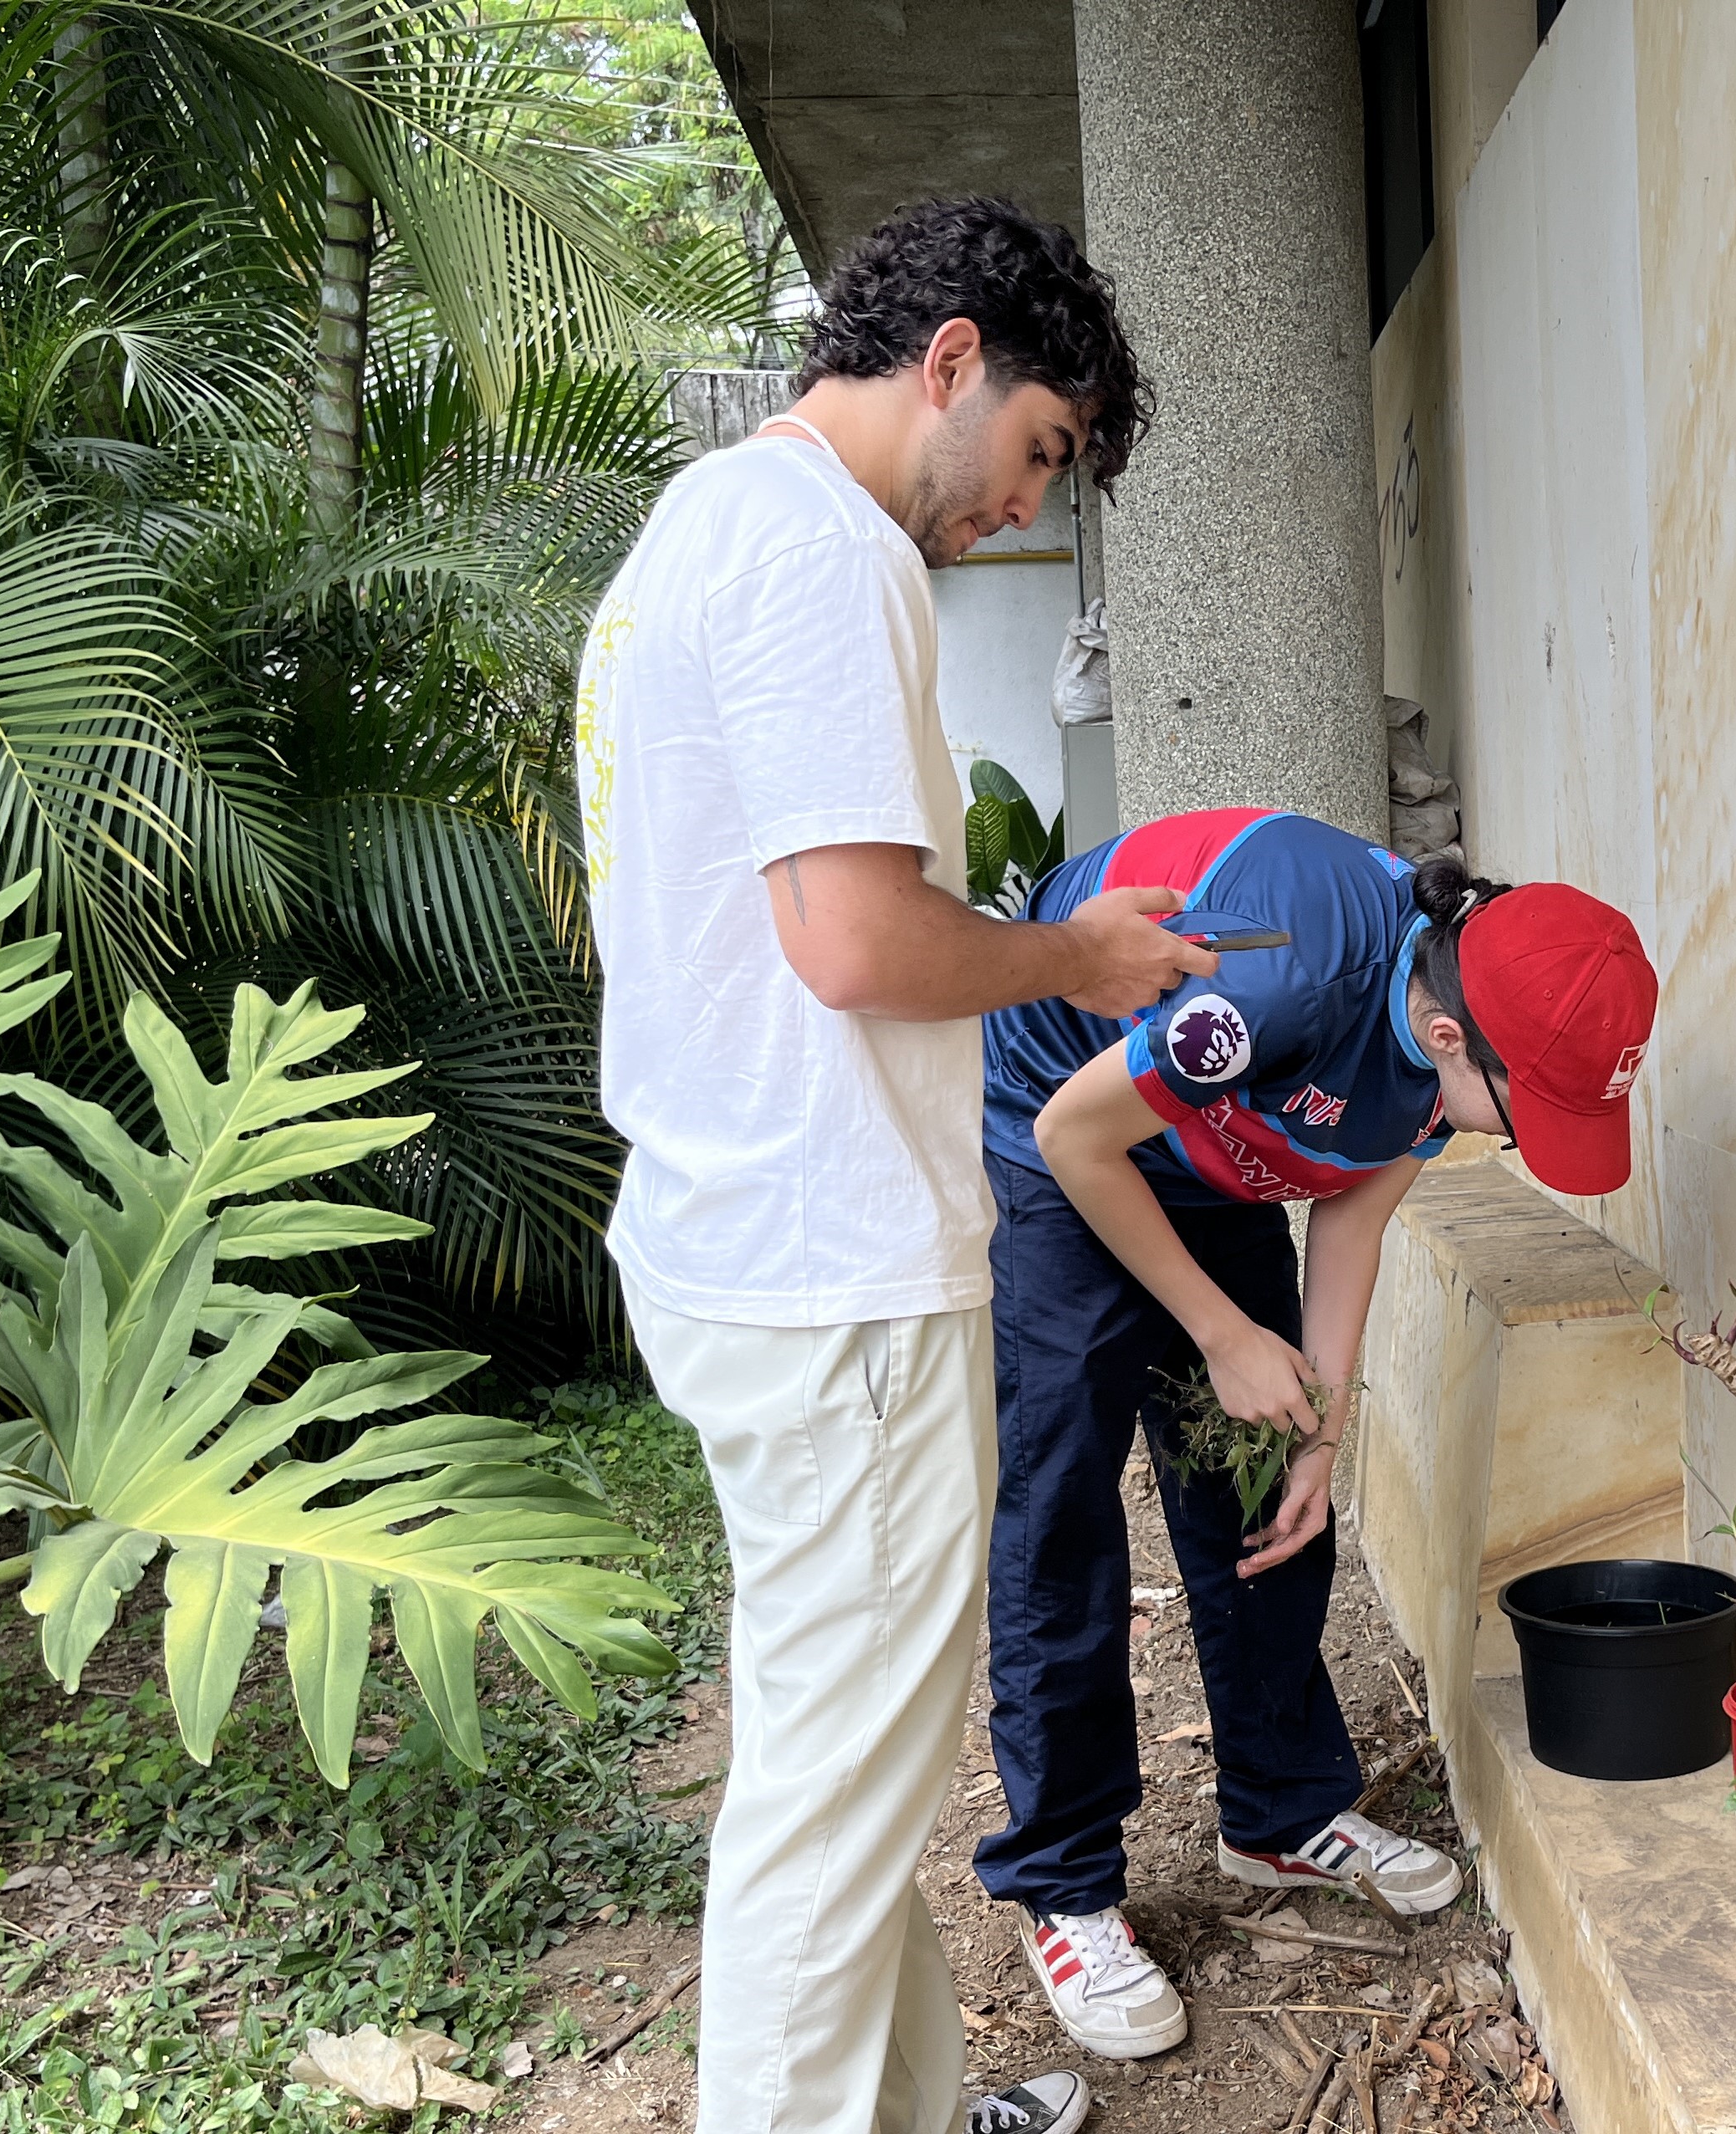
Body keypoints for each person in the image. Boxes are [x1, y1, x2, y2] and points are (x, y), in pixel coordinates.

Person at [576, 198, 1218, 2134]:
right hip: (828, 1264)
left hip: (744, 1236)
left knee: (841, 1766)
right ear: (951, 359)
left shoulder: (706, 526)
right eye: (1038, 447)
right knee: (828, 1810)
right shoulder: (820, 551)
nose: (1024, 505)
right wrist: (1075, 955)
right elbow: (856, 946)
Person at [974, 809, 1658, 2058]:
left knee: (1265, 1485)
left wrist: (1322, 1430)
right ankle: (1065, 1884)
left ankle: (1281, 1810)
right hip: (1068, 1130)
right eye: (1521, 1115)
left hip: (1212, 1148)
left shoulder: (1448, 1028)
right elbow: (1079, 1135)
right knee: (1063, 1508)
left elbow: (1351, 1215)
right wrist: (1222, 1334)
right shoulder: (1283, 987)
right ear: (1448, 1037)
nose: (1514, 1140)